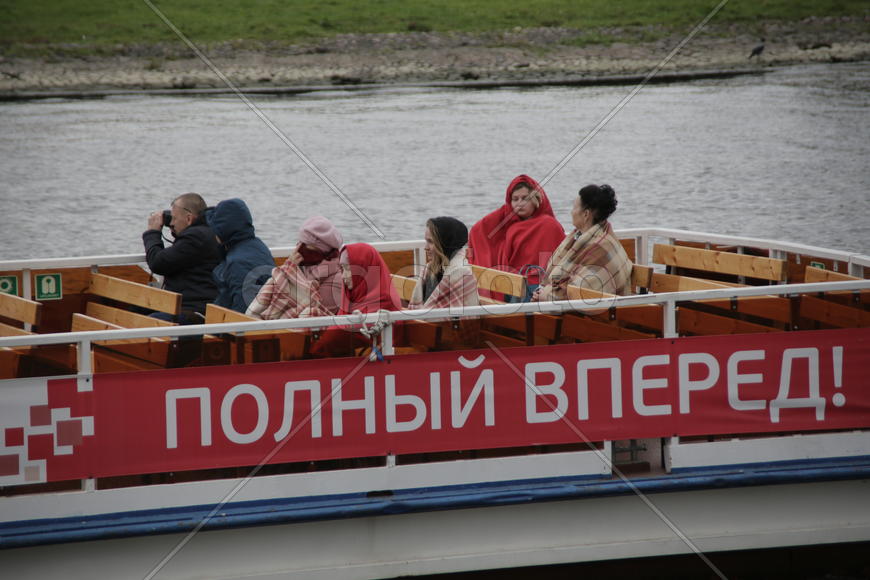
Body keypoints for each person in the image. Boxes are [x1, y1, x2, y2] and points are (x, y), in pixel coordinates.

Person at [468, 175, 564, 301]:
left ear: (536, 200)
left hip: (538, 286)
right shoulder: (511, 226)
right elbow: (479, 230)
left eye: (525, 198)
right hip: (512, 285)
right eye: (515, 199)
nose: (519, 203)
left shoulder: (550, 225)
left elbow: (556, 260)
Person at [533, 184, 632, 300]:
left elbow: (577, 292)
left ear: (586, 214)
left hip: (605, 314)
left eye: (574, 208)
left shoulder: (601, 248)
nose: (571, 212)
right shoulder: (581, 237)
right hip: (586, 311)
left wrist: (544, 295)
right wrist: (542, 293)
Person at [309, 243, 402, 357]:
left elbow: (335, 338)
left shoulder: (385, 302)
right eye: (342, 269)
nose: (343, 276)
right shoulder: (356, 297)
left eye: (348, 269)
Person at [143, 192, 221, 323]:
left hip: (193, 312)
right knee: (135, 309)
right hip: (194, 306)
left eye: (174, 218)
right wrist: (176, 229)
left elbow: (157, 263)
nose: (171, 223)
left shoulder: (195, 238)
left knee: (142, 322)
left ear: (189, 218)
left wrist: (152, 232)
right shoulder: (207, 231)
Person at [245, 216, 343, 319]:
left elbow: (314, 310)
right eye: (299, 244)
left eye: (305, 247)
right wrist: (287, 270)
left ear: (323, 251)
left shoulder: (337, 278)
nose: (298, 250)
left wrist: (289, 272)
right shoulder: (305, 266)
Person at [207, 198, 275, 313]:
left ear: (222, 230)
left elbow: (242, 311)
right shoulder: (257, 246)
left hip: (242, 327)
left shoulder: (238, 263)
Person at [410, 217, 479, 310]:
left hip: (451, 324)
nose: (426, 247)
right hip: (428, 323)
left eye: (431, 242)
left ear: (445, 243)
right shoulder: (430, 269)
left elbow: (441, 318)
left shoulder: (461, 274)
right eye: (426, 241)